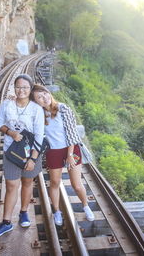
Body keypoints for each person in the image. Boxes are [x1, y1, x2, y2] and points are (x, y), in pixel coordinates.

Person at [0, 74, 45, 238]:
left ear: (30, 89)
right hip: (11, 152)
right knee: (12, 185)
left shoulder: (36, 109)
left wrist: (33, 159)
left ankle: (23, 212)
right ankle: (6, 222)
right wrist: (11, 132)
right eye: (19, 87)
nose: (21, 90)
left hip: (31, 153)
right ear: (14, 88)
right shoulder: (7, 104)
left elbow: (39, 135)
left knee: (27, 183)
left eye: (25, 87)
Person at [30, 84, 94, 226]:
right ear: (35, 102)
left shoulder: (63, 108)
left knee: (76, 184)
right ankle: (57, 211)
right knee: (54, 182)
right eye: (39, 97)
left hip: (72, 149)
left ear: (49, 92)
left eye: (44, 93)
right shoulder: (39, 114)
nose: (44, 98)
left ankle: (85, 206)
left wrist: (69, 154)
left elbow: (71, 132)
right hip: (53, 151)